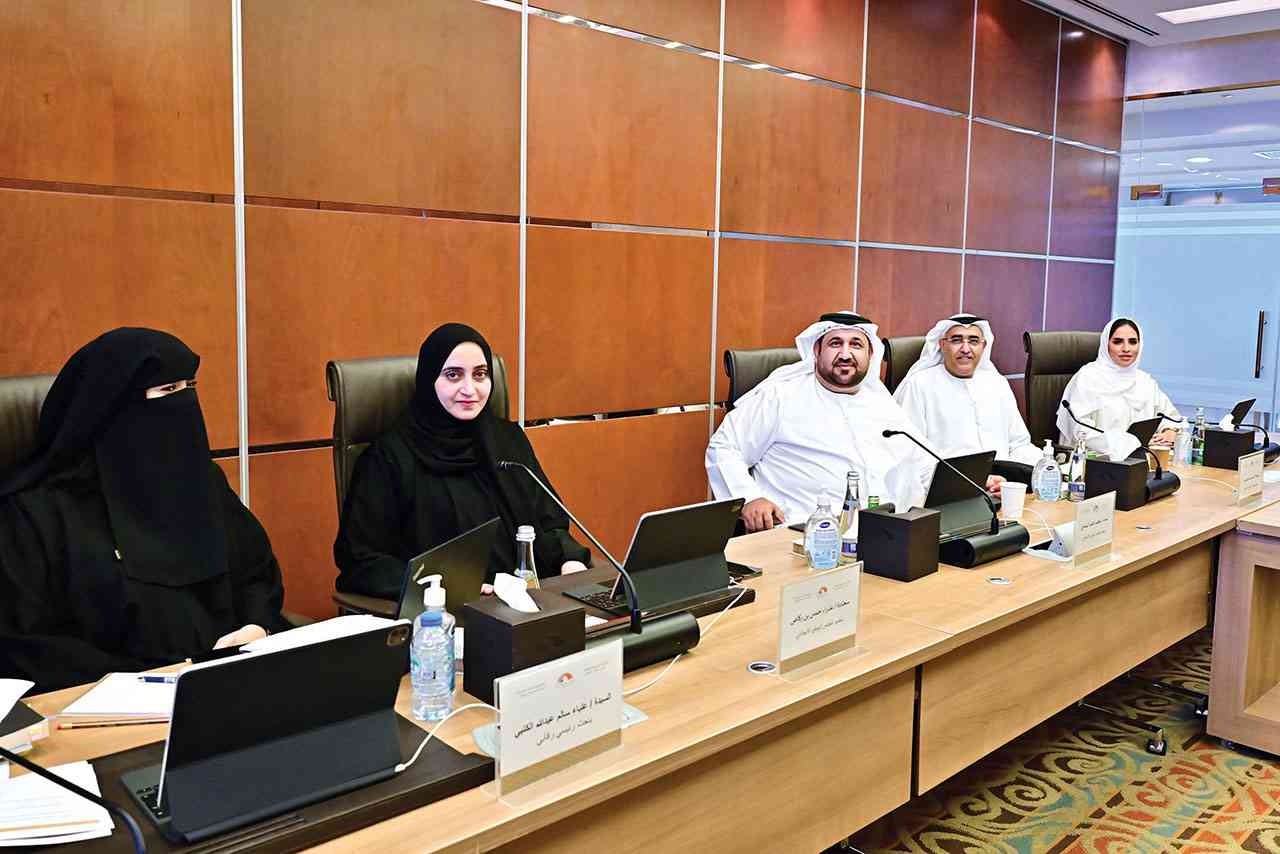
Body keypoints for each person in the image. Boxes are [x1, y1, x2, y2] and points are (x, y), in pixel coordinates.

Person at [0, 329, 288, 694]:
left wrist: (257, 627)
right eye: (168, 390)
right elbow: (27, 643)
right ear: (112, 408)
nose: (185, 402)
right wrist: (149, 679)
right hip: (104, 701)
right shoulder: (35, 515)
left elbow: (256, 574)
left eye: (190, 387)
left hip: (231, 683)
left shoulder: (200, 481)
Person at [335, 323, 589, 600]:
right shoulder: (388, 458)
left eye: (480, 375)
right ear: (429, 379)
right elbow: (362, 560)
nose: (470, 389)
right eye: (453, 375)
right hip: (447, 611)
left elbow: (550, 523)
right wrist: (446, 587)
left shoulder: (508, 440)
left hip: (530, 601)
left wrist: (570, 560)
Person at [706, 312, 935, 533]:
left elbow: (923, 462)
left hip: (882, 532)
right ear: (816, 351)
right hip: (801, 532)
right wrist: (750, 498)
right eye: (835, 343)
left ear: (870, 354)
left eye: (856, 344)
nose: (845, 354)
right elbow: (724, 446)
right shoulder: (780, 396)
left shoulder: (881, 401)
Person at [893, 314, 1040, 496]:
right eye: (956, 340)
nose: (965, 349)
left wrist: (1041, 468)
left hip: (1002, 488)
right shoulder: (919, 385)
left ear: (983, 346)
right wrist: (973, 481)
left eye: (973, 341)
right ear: (942, 344)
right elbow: (911, 455)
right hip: (947, 492)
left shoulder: (997, 383)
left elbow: (1018, 443)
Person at [1057, 317, 1182, 452]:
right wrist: (1127, 444)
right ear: (1106, 345)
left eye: (1133, 342)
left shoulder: (1145, 381)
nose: (1126, 349)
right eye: (1118, 342)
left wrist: (1169, 431)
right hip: (1097, 458)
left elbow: (1171, 417)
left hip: (1140, 458)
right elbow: (1080, 432)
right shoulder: (1087, 378)